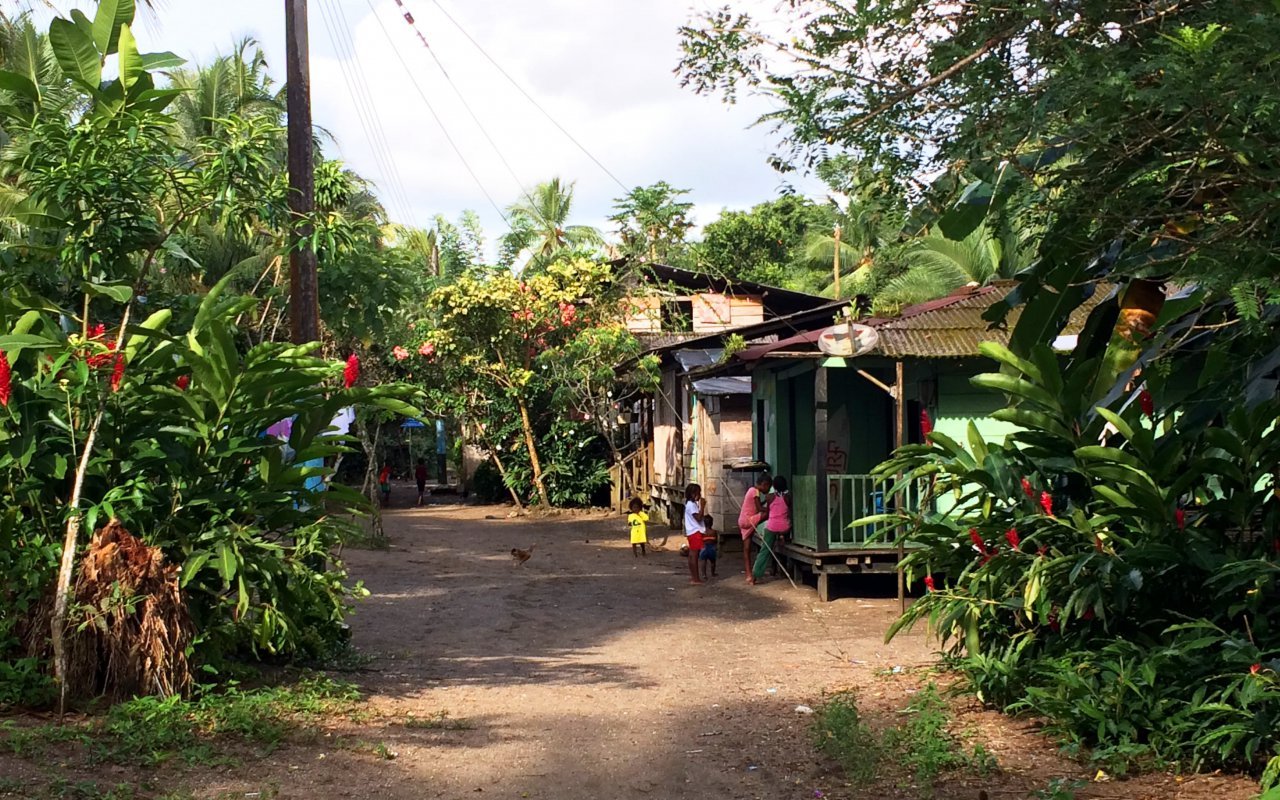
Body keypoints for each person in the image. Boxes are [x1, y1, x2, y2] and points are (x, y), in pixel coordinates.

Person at [751, 476, 791, 584]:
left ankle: (755, 575)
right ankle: (782, 537)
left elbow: (768, 514)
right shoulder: (788, 497)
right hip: (784, 528)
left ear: (774, 486)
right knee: (787, 527)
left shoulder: (769, 497)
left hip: (772, 527)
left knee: (764, 550)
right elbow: (789, 513)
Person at [738, 475, 771, 583]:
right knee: (767, 514)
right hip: (749, 520)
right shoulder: (755, 491)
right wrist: (772, 508)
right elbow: (759, 509)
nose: (767, 490)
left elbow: (756, 505)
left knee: (746, 549)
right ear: (764, 484)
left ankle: (748, 574)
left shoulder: (751, 490)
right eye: (768, 487)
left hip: (742, 520)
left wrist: (765, 503)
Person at [683, 483, 706, 585]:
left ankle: (694, 577)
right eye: (698, 492)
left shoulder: (689, 504)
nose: (700, 494)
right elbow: (699, 518)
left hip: (691, 531)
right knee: (694, 555)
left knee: (692, 555)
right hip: (695, 531)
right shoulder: (692, 505)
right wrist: (702, 506)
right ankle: (696, 578)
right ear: (693, 494)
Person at [699, 514, 719, 580]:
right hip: (712, 548)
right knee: (713, 561)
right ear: (712, 523)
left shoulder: (702, 532)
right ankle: (713, 573)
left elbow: (700, 540)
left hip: (703, 547)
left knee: (703, 561)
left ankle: (704, 575)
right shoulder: (714, 531)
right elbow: (715, 540)